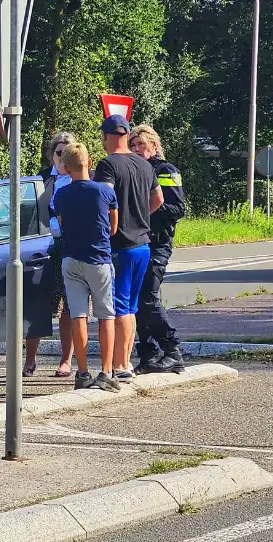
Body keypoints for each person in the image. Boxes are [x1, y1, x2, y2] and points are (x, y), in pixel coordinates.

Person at [94, 114, 164, 381]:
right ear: (125, 135)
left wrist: (112, 224)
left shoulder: (108, 164)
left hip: (119, 245)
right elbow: (158, 198)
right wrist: (140, 217)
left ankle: (121, 365)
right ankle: (126, 363)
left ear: (107, 137)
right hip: (143, 245)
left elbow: (102, 199)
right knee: (131, 308)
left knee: (119, 307)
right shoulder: (145, 165)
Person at [54, 142, 121, 392]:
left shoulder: (61, 195)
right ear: (89, 162)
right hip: (99, 258)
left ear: (66, 168)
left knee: (78, 315)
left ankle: (82, 372)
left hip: (71, 259)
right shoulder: (104, 192)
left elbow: (61, 224)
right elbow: (113, 228)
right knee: (106, 316)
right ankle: (106, 371)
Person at [130, 125, 186, 374]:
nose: (136, 149)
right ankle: (148, 355)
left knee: (148, 298)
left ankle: (172, 351)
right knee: (136, 302)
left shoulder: (166, 170)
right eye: (132, 145)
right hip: (136, 242)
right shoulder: (133, 170)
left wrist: (149, 205)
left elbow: (178, 209)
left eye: (141, 144)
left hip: (158, 243)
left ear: (154, 145)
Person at [27, 131, 78, 378]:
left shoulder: (82, 180)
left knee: (68, 308)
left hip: (70, 250)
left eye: (69, 152)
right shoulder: (40, 181)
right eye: (60, 152)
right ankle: (30, 359)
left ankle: (66, 360)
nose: (63, 157)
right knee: (37, 306)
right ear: (52, 155)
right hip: (42, 251)